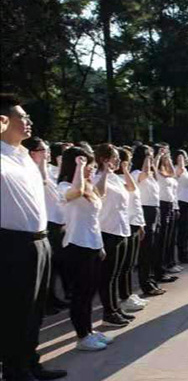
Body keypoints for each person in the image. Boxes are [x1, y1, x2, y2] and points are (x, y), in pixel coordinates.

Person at [1, 95, 67, 381]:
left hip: (39, 239)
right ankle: (16, 375)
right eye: (22, 117)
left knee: (35, 309)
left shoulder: (24, 155)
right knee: (16, 311)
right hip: (12, 243)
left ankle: (31, 363)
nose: (28, 121)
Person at [58, 146, 116, 352]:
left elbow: (95, 214)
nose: (91, 168)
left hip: (92, 244)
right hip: (76, 245)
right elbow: (76, 191)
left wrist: (100, 246)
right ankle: (82, 337)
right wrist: (79, 168)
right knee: (80, 294)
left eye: (91, 164)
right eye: (88, 164)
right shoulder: (64, 186)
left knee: (90, 292)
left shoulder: (89, 187)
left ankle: (89, 330)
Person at [22, 137, 70, 314]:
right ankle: (46, 303)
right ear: (32, 153)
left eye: (48, 150)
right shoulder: (29, 170)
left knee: (55, 264)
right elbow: (42, 182)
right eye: (43, 150)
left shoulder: (50, 169)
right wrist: (42, 163)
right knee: (46, 267)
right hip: (45, 224)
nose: (47, 153)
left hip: (57, 221)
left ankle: (53, 298)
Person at [94, 144, 133, 328]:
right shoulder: (96, 177)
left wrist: (120, 170)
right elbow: (99, 193)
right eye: (115, 157)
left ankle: (116, 308)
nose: (118, 161)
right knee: (107, 276)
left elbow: (130, 189)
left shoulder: (115, 178)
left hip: (121, 229)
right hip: (107, 230)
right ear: (104, 159)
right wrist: (103, 171)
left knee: (116, 273)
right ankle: (108, 313)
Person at [116, 147, 149, 314]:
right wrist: (123, 169)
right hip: (125, 224)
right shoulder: (116, 179)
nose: (129, 164)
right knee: (124, 265)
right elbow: (130, 189)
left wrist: (141, 224)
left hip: (135, 222)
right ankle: (124, 297)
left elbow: (136, 201)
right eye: (126, 161)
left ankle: (129, 294)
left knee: (130, 264)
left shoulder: (127, 177)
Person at [131, 145, 166, 296]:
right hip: (145, 211)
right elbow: (145, 172)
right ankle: (146, 283)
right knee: (145, 250)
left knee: (153, 248)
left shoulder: (151, 174)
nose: (151, 159)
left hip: (155, 210)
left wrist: (157, 157)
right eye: (148, 156)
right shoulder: (136, 173)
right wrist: (148, 156)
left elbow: (152, 171)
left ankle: (152, 280)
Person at [155, 145, 181, 279]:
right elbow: (153, 168)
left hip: (170, 205)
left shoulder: (166, 171)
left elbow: (173, 173)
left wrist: (168, 159)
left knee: (168, 239)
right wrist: (159, 156)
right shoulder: (155, 170)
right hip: (162, 204)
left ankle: (166, 265)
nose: (166, 154)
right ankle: (160, 269)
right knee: (161, 240)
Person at [174, 149, 188, 264]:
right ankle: (182, 254)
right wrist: (180, 161)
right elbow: (180, 171)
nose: (184, 160)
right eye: (181, 158)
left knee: (185, 231)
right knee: (182, 231)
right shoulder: (177, 169)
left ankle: (185, 253)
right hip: (181, 201)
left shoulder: (186, 170)